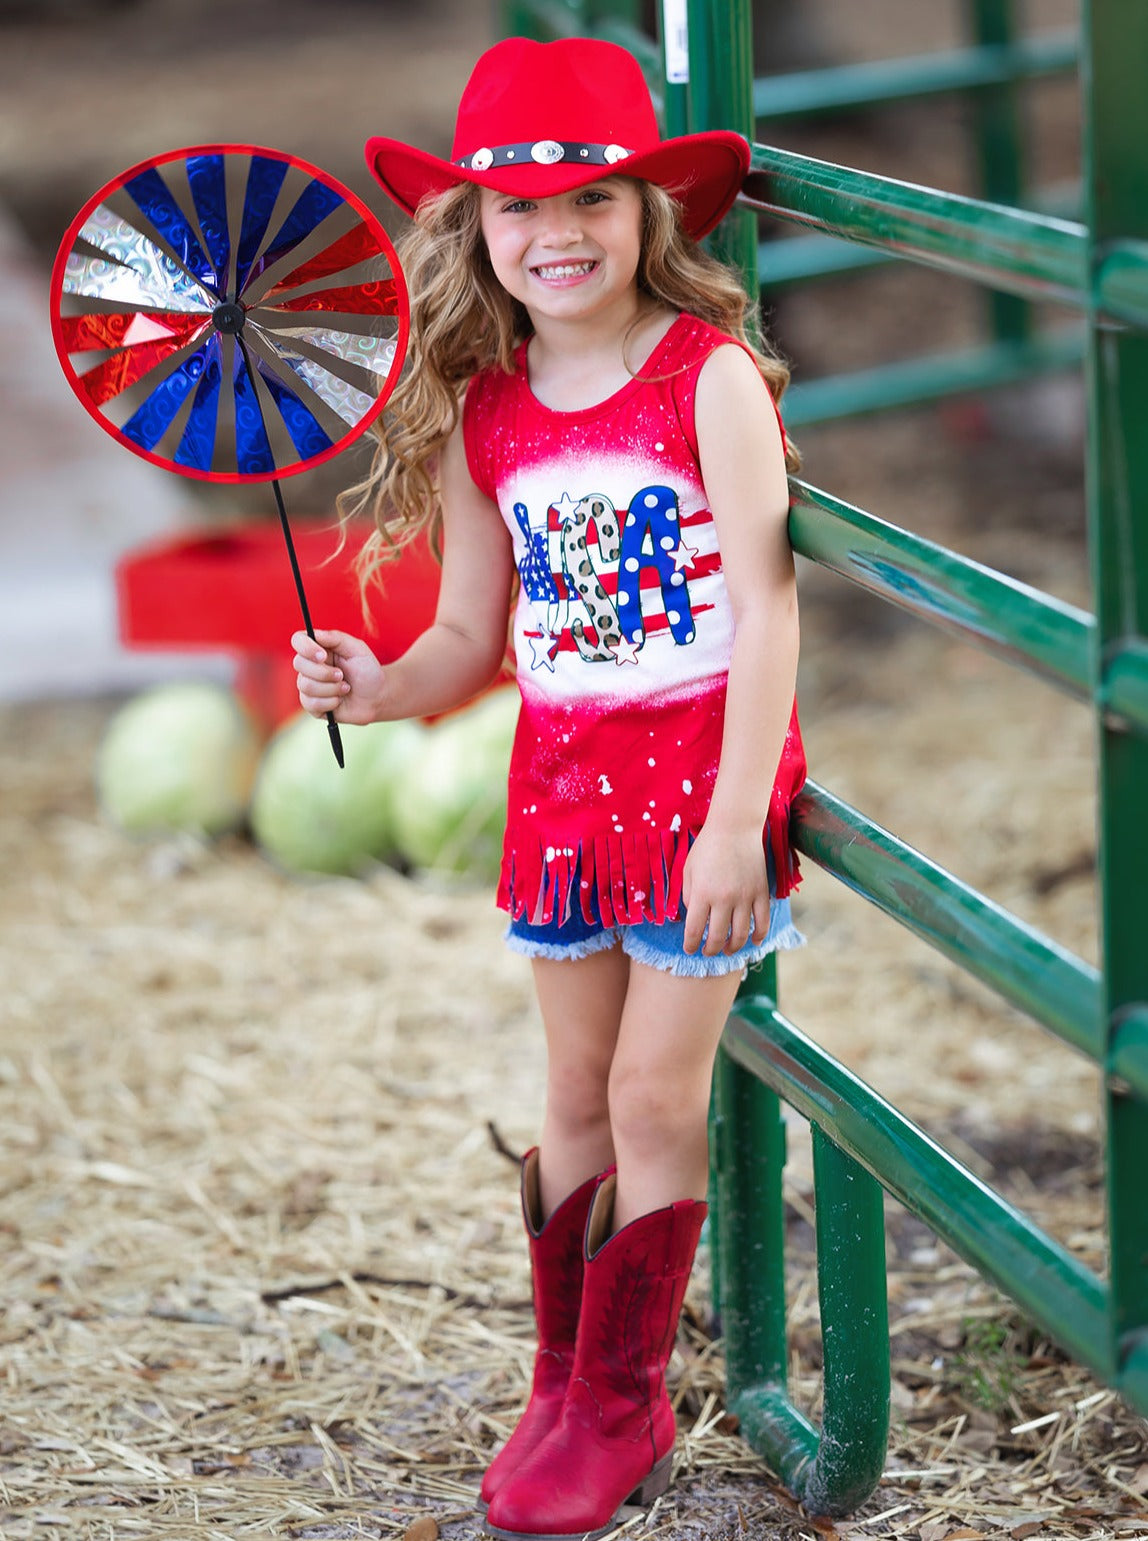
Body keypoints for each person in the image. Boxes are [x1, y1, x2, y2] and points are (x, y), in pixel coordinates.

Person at [291, 34, 806, 1541]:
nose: (556, 233)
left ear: (651, 211)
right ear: (473, 229)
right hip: (566, 797)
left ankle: (629, 1399)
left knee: (655, 1092)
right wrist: (378, 686)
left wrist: (733, 819)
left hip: (702, 788)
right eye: (516, 209)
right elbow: (470, 629)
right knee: (574, 1093)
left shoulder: (705, 381)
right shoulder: (485, 409)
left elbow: (770, 609)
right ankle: (565, 1380)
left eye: (592, 199)